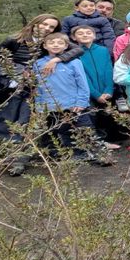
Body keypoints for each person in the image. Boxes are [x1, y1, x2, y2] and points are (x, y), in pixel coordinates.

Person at [0, 14, 84, 176]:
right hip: (11, 88)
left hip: (34, 90)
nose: (47, 28)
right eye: (44, 24)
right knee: (8, 122)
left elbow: (77, 49)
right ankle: (12, 158)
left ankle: (19, 162)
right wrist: (15, 74)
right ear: (35, 23)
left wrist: (56, 60)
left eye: (51, 27)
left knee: (26, 123)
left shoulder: (48, 43)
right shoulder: (14, 40)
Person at [32, 32, 108, 164]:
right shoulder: (38, 64)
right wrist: (39, 106)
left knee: (86, 130)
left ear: (66, 46)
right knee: (59, 131)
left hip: (74, 104)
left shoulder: (74, 62)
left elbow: (83, 84)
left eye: (60, 43)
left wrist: (81, 102)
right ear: (44, 45)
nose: (56, 45)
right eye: (52, 42)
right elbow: (37, 87)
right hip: (50, 106)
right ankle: (73, 155)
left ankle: (101, 155)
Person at [70, 25, 124, 147]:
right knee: (92, 116)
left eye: (88, 32)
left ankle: (110, 138)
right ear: (74, 37)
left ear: (94, 36)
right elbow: (83, 77)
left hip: (106, 90)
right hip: (89, 93)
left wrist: (109, 89)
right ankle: (98, 141)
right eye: (80, 33)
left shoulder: (103, 50)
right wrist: (96, 94)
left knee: (108, 114)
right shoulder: (75, 54)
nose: (85, 35)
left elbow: (108, 70)